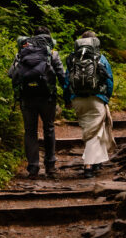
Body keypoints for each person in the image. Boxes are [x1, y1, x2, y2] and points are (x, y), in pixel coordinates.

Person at [8, 25, 65, 179]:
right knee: (49, 129)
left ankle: (33, 167)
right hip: (47, 97)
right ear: (49, 37)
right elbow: (61, 75)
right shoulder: (51, 53)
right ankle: (50, 166)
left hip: (27, 98)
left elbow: (11, 73)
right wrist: (66, 95)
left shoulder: (22, 52)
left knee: (30, 131)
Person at [64, 30, 116, 178]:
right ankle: (88, 166)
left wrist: (67, 99)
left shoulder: (73, 58)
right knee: (93, 133)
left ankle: (96, 161)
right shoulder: (100, 58)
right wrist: (106, 97)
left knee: (91, 130)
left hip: (78, 99)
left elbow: (67, 81)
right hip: (96, 98)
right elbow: (109, 80)